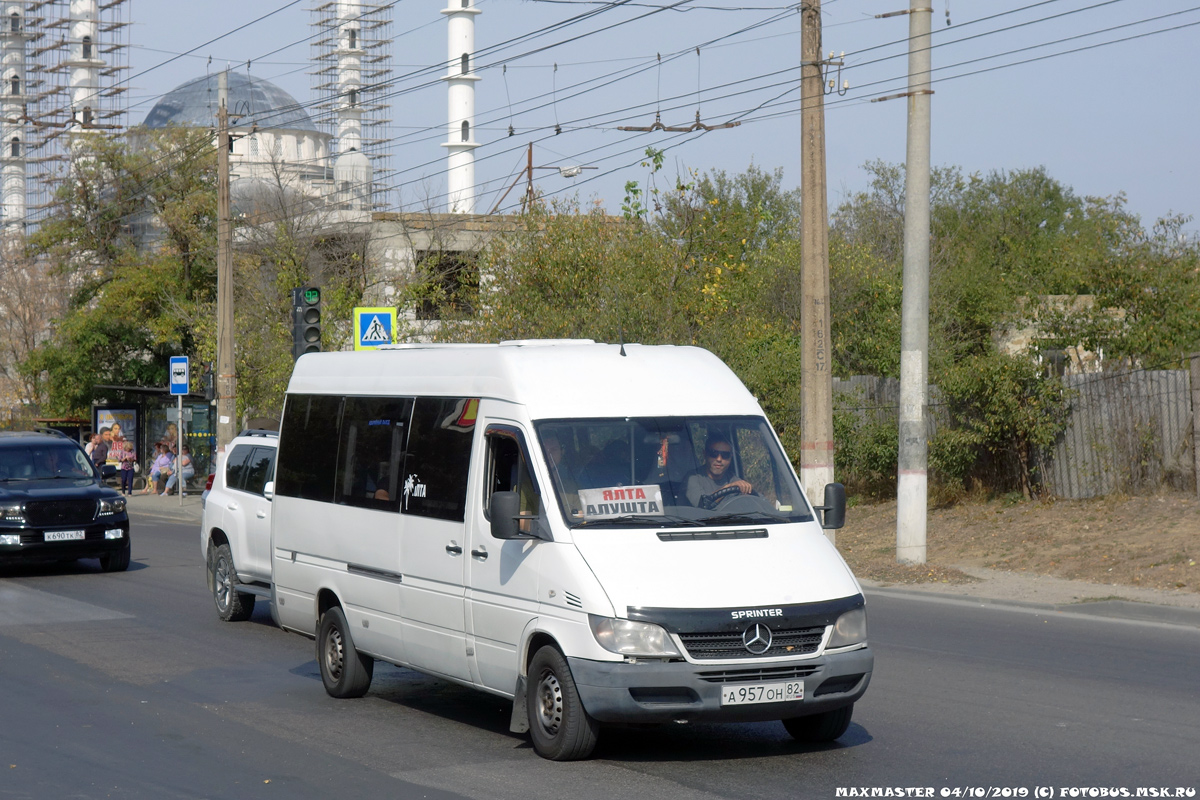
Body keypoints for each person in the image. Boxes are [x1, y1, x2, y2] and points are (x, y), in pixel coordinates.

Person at [686, 435, 752, 510]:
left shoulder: (733, 479)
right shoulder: (692, 478)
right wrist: (728, 488)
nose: (719, 459)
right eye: (714, 453)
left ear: (731, 457)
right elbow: (702, 505)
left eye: (725, 455)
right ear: (705, 454)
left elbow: (760, 501)